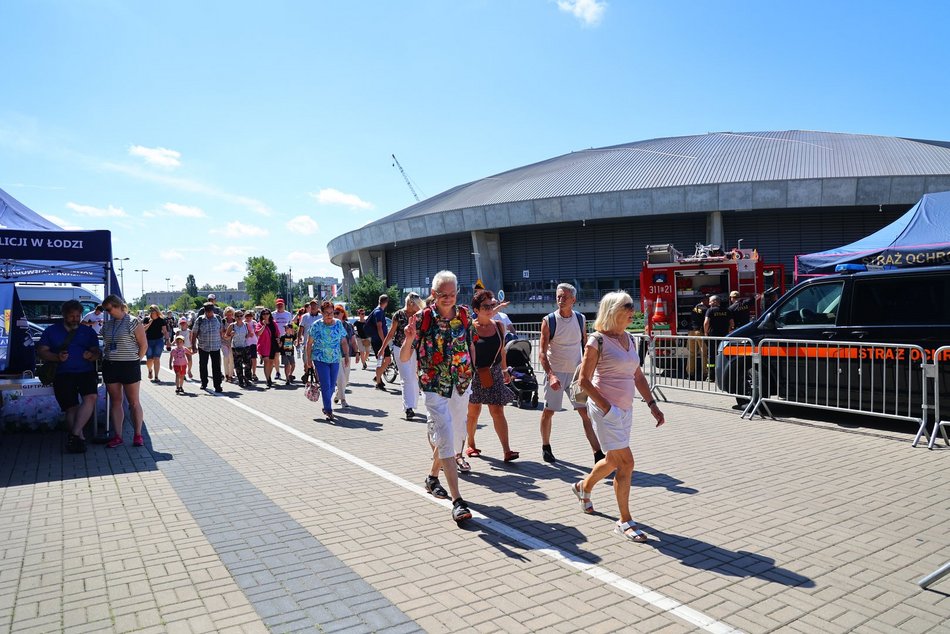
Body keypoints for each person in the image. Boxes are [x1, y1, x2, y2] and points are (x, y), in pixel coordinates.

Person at [572, 291, 666, 542]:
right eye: (627, 307)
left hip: (625, 409)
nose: (632, 312)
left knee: (613, 460)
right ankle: (624, 521)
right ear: (613, 310)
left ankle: (584, 487)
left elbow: (637, 375)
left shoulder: (631, 339)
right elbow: (584, 381)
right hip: (606, 410)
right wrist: (607, 408)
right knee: (626, 463)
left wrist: (652, 404)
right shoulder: (597, 340)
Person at [400, 270, 474, 524]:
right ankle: (458, 501)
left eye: (453, 294)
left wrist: (478, 369)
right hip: (434, 384)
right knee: (444, 435)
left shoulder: (464, 314)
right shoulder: (422, 319)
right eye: (443, 294)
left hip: (461, 382)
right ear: (433, 294)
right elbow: (405, 358)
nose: (449, 299)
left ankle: (432, 477)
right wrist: (409, 339)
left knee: (454, 437)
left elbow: (469, 344)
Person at [537, 283, 604, 465]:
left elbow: (584, 345)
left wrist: (587, 369)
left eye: (564, 297)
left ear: (573, 300)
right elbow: (542, 352)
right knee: (549, 412)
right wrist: (550, 375)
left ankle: (598, 453)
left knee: (585, 413)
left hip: (576, 374)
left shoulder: (580, 319)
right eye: (558, 296)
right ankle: (546, 447)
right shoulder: (549, 320)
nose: (560, 300)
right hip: (556, 373)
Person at [36, 299, 102, 453]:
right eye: (72, 316)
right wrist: (56, 357)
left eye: (78, 316)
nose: (76, 319)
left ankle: (74, 435)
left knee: (91, 397)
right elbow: (42, 351)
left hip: (85, 371)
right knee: (71, 408)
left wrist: (91, 355)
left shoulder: (87, 331)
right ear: (64, 315)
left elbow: (97, 352)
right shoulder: (51, 331)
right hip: (63, 374)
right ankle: (78, 439)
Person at [465, 289, 519, 463]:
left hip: (494, 372)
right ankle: (471, 444)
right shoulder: (470, 329)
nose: (489, 309)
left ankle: (507, 450)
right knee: (474, 412)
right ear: (476, 309)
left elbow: (502, 351)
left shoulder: (499, 326)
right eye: (485, 306)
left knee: (497, 410)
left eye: (492, 305)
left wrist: (505, 371)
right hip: (474, 375)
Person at [100, 295, 148, 448]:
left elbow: (143, 345)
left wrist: (136, 360)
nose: (107, 312)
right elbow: (105, 345)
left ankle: (138, 434)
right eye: (105, 310)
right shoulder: (107, 325)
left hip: (129, 366)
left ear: (118, 306)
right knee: (116, 401)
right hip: (111, 365)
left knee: (134, 402)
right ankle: (118, 436)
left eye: (109, 309)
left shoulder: (134, 321)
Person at [379, 292, 425, 420]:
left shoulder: (419, 316)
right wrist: (383, 348)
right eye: (417, 305)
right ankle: (408, 407)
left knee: (414, 378)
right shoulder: (398, 315)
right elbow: (391, 332)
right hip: (399, 348)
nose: (419, 307)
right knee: (406, 378)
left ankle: (413, 404)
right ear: (410, 303)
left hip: (414, 349)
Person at [305, 301, 349, 421]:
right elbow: (309, 344)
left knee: (332, 385)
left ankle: (326, 404)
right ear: (322, 313)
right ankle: (328, 410)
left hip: (335, 358)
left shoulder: (339, 324)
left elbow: (344, 341)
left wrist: (346, 356)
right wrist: (308, 359)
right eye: (326, 313)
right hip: (320, 358)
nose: (329, 315)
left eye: (331, 313)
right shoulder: (316, 325)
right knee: (325, 384)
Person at [191, 302, 225, 392]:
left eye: (210, 310)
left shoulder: (218, 318)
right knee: (203, 366)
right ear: (204, 310)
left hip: (215, 346)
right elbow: (194, 333)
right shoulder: (200, 319)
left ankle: (217, 385)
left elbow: (221, 331)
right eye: (207, 311)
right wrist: (193, 345)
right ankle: (204, 383)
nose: (208, 313)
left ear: (213, 310)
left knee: (216, 367)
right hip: (203, 346)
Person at [332, 305, 356, 407]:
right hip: (335, 355)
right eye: (334, 313)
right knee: (340, 377)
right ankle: (343, 400)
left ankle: (338, 394)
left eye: (337, 313)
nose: (335, 315)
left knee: (346, 379)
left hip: (347, 355)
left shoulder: (348, 326)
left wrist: (357, 353)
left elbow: (353, 341)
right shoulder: (331, 325)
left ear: (343, 313)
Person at [369, 295, 393, 390]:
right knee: (382, 361)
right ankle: (378, 382)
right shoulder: (378, 312)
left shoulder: (378, 311)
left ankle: (377, 377)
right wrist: (384, 342)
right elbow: (379, 327)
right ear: (386, 302)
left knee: (386, 360)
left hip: (378, 340)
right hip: (379, 341)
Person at [226, 310, 253, 387]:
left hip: (245, 346)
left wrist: (249, 335)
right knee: (238, 365)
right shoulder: (232, 325)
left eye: (241, 316)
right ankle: (241, 380)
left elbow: (251, 333)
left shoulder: (246, 325)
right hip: (236, 347)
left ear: (243, 316)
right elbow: (226, 336)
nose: (239, 317)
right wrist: (230, 335)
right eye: (237, 316)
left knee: (248, 364)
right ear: (234, 317)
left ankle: (247, 379)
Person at [142, 305, 168, 383]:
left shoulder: (161, 320)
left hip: (159, 341)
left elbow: (165, 331)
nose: (151, 312)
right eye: (150, 311)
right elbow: (143, 330)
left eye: (153, 310)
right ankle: (150, 370)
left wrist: (168, 341)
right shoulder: (147, 319)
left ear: (156, 311)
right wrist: (150, 323)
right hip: (148, 341)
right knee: (149, 359)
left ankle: (156, 376)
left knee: (156, 358)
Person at [685, 296, 709, 380]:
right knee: (704, 353)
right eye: (708, 301)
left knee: (692, 353)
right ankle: (705, 374)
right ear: (704, 300)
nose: (709, 303)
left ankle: (690, 374)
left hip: (691, 332)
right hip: (699, 332)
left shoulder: (695, 307)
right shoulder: (706, 309)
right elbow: (707, 321)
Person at [255, 308, 280, 387]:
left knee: (271, 362)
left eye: (267, 313)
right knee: (266, 361)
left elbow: (277, 333)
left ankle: (269, 376)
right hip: (264, 345)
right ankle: (268, 379)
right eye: (264, 314)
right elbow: (258, 333)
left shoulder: (274, 323)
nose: (266, 315)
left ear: (270, 314)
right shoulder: (259, 324)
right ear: (261, 315)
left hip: (273, 344)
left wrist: (279, 339)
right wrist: (264, 325)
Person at [221, 306, 236, 382]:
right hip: (224, 342)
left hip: (233, 343)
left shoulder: (235, 321)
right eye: (227, 314)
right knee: (226, 357)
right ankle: (226, 375)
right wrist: (229, 334)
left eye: (230, 314)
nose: (229, 315)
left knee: (231, 359)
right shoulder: (223, 321)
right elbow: (222, 332)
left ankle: (230, 375)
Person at [244, 310, 259, 381]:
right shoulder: (243, 323)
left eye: (250, 317)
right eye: (247, 317)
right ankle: (248, 373)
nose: (248, 318)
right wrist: (248, 335)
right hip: (246, 343)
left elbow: (257, 331)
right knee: (247, 359)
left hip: (253, 342)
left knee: (254, 358)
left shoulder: (254, 323)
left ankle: (254, 373)